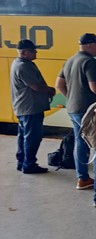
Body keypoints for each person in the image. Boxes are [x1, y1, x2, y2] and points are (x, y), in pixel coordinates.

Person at [56, 33, 96, 207]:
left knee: (80, 142)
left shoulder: (70, 60)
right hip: (88, 111)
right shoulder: (90, 62)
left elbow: (59, 85)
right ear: (89, 45)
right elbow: (95, 87)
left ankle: (82, 178)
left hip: (73, 109)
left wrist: (72, 98)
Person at [10, 39, 56, 174]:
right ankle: (29, 164)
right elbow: (35, 86)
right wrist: (50, 90)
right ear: (24, 52)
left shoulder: (19, 63)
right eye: (32, 50)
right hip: (30, 109)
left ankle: (22, 161)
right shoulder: (24, 66)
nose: (36, 52)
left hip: (24, 107)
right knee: (32, 137)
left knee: (23, 135)